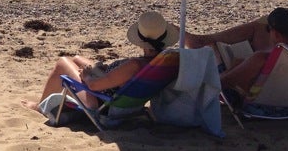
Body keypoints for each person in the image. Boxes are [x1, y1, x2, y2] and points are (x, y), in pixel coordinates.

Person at [22, 11, 178, 112]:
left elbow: (94, 86)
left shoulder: (135, 65)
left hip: (98, 100)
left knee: (63, 62)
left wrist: (87, 77)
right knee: (77, 59)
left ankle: (40, 106)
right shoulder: (165, 61)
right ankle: (88, 70)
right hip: (112, 87)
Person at [185, 7, 288, 82]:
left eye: (268, 29)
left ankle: (203, 41)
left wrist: (237, 66)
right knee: (257, 28)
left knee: (214, 48)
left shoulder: (262, 58)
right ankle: (201, 41)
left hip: (264, 105)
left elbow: (224, 83)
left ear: (275, 34)